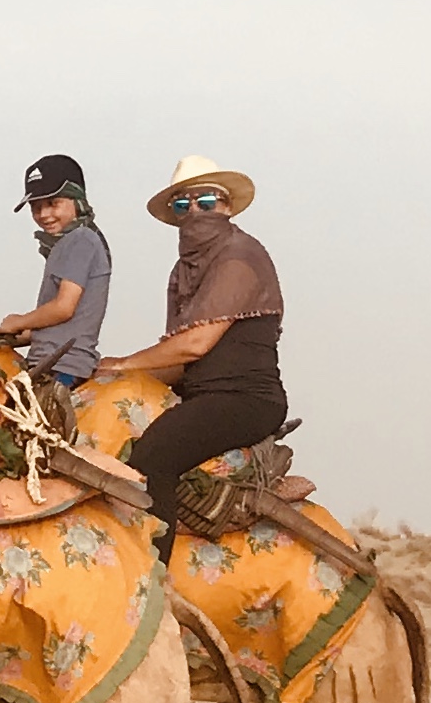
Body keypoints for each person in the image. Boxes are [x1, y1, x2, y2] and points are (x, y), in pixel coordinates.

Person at [95, 155, 287, 564]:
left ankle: (153, 581)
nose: (196, 212)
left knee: (152, 459)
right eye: (184, 205)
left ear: (228, 206)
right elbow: (178, 361)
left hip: (244, 398)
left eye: (207, 201)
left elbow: (195, 343)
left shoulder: (240, 256)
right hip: (200, 392)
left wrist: (123, 364)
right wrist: (105, 378)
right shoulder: (183, 271)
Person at [0, 153, 112, 385]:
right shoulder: (65, 244)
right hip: (44, 360)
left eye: (52, 204)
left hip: (63, 365)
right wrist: (9, 336)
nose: (44, 215)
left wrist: (19, 321)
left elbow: (63, 308)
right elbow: (59, 324)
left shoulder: (81, 240)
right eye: (36, 208)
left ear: (77, 201)